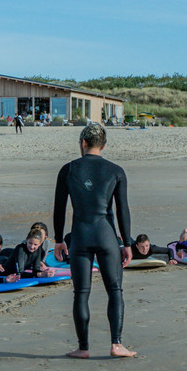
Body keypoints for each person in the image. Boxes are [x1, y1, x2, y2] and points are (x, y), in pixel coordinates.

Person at [52, 122, 135, 358]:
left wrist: (59, 240)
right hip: (107, 236)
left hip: (80, 237)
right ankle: (117, 344)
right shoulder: (116, 170)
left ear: (83, 143)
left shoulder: (68, 170)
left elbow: (59, 209)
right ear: (104, 145)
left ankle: (83, 347)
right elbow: (122, 211)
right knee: (115, 290)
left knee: (81, 293)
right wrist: (126, 243)